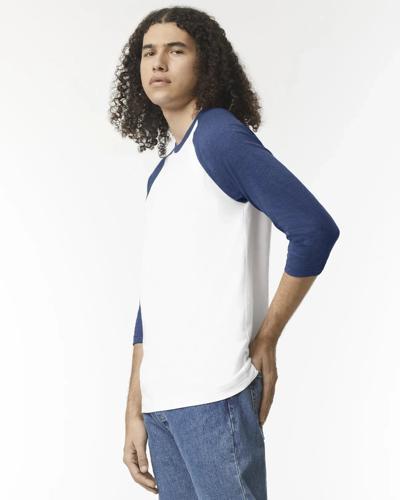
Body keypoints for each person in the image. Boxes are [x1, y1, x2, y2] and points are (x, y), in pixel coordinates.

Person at [109, 6, 340, 499]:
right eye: (148, 53)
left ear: (206, 64)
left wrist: (267, 338)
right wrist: (135, 406)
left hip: (215, 391)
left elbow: (314, 229)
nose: (158, 63)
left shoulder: (218, 135)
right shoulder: (163, 174)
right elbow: (153, 300)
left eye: (176, 50)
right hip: (164, 402)